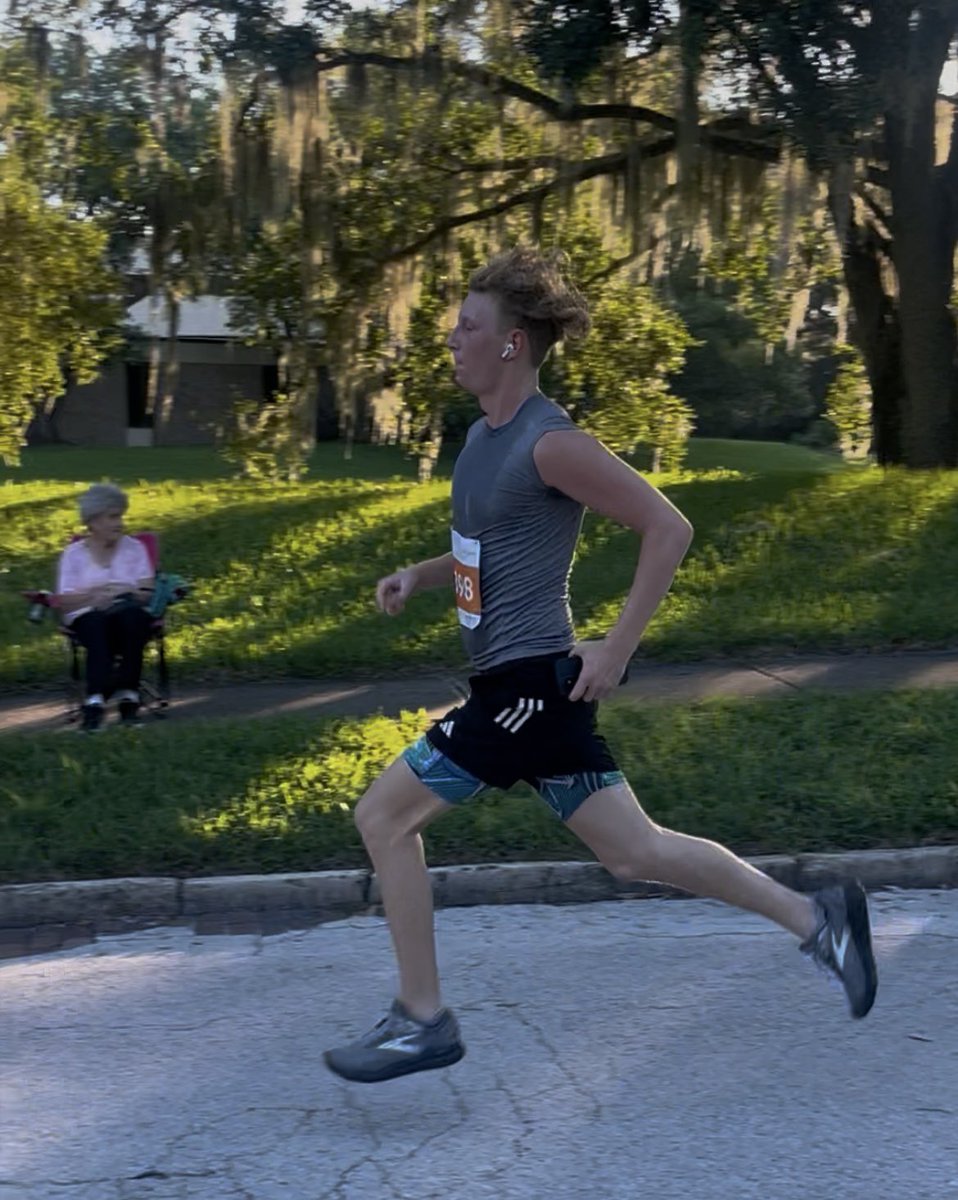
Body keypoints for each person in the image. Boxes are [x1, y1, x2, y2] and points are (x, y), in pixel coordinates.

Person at [323, 247, 877, 1085]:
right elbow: (488, 545)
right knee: (634, 852)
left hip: (528, 691)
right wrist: (424, 574)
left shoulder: (553, 443)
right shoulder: (481, 439)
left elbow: (669, 527)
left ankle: (422, 1019)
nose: (451, 339)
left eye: (468, 327)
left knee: (382, 819)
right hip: (527, 692)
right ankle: (819, 918)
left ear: (511, 343)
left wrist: (616, 647)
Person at [56, 483, 156, 732]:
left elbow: (146, 593)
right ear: (93, 520)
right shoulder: (73, 553)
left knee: (134, 618)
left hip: (126, 612)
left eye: (120, 516)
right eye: (113, 517)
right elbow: (63, 601)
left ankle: (128, 696)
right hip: (87, 616)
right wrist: (93, 597)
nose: (119, 523)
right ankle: (95, 701)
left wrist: (126, 590)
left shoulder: (135, 548)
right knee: (95, 624)